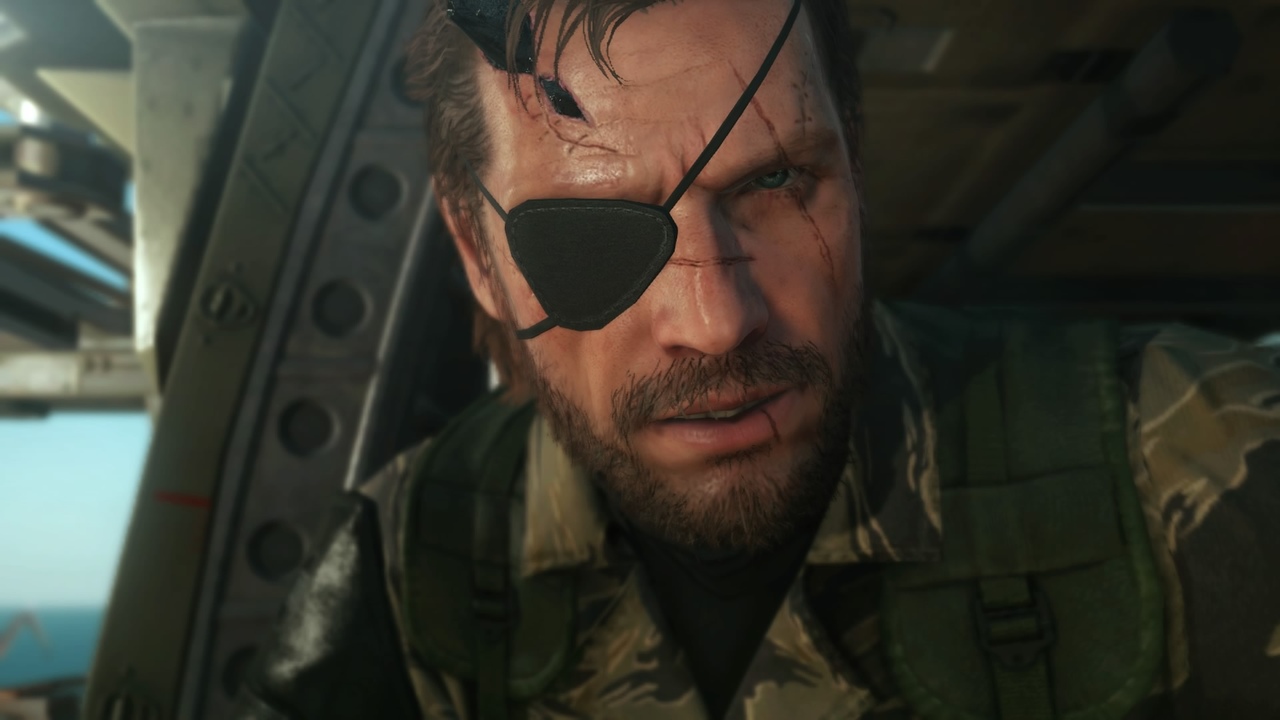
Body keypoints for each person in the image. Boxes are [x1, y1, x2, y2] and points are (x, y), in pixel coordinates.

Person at [232, 0, 1280, 718]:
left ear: (855, 168)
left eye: (775, 184)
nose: (715, 320)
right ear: (477, 252)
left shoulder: (1180, 462)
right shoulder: (408, 567)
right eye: (592, 235)